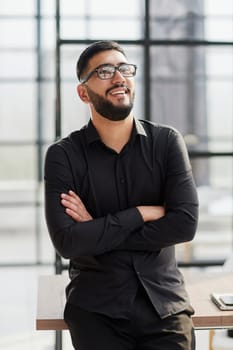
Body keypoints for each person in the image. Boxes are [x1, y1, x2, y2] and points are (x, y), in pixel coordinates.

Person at [44, 40, 199, 350]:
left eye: (124, 69)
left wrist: (97, 228)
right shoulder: (63, 156)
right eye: (104, 71)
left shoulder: (166, 142)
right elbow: (68, 242)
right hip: (96, 309)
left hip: (164, 305)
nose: (118, 77)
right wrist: (140, 214)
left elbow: (184, 225)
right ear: (83, 92)